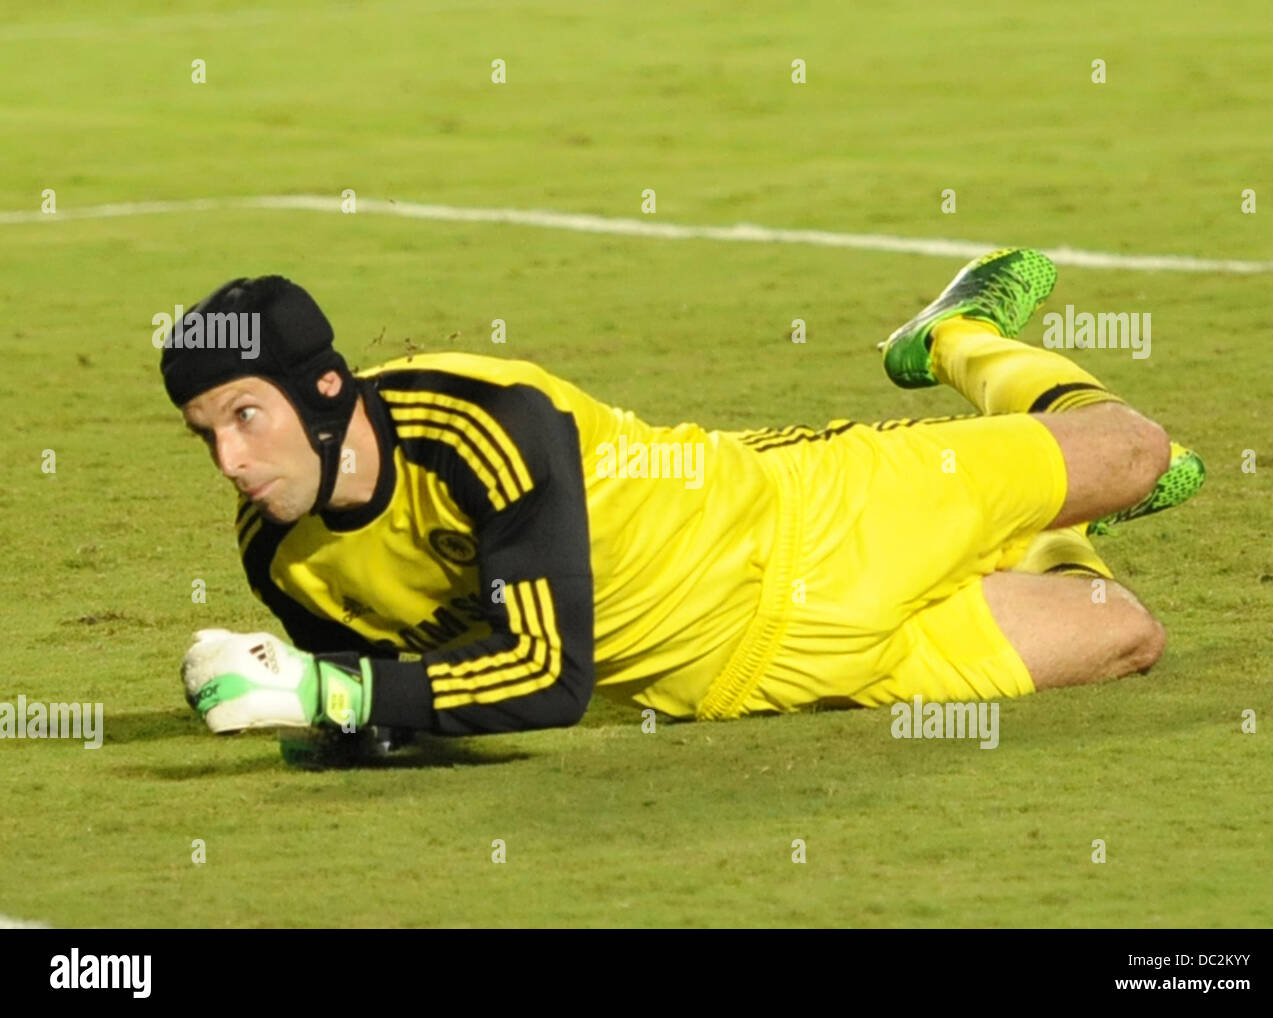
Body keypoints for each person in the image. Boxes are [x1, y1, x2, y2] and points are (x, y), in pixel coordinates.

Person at [163, 249, 1204, 757]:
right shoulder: (283, 559)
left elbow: (543, 679)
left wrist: (325, 693)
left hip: (818, 521)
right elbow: (405, 703)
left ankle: (951, 337)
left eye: (246, 415)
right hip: (763, 678)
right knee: (1127, 634)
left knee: (1139, 453)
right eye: (205, 431)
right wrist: (325, 713)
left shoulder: (477, 422)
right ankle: (1037, 526)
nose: (228, 458)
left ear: (327, 392)